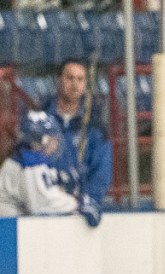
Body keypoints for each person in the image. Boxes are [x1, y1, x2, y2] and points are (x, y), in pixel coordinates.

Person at [0, 110, 101, 225]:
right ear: (43, 139)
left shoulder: (24, 158)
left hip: (9, 225)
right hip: (6, 229)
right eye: (53, 138)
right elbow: (42, 205)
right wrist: (77, 203)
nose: (56, 143)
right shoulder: (29, 161)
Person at [43, 58, 112, 212]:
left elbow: (102, 172)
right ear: (58, 81)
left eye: (80, 79)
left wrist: (87, 202)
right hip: (43, 210)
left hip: (80, 213)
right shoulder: (40, 122)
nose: (75, 84)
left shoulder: (96, 127)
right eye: (70, 78)